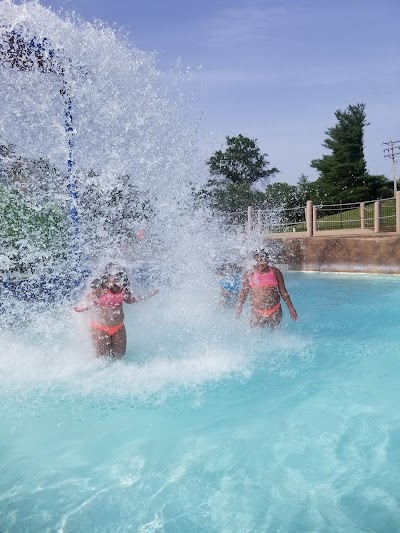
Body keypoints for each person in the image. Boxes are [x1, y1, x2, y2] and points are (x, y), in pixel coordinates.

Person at [74, 263, 158, 358]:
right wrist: (86, 305)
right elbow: (89, 300)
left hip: (118, 328)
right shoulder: (100, 288)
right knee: (102, 360)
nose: (117, 279)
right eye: (114, 276)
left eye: (119, 276)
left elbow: (131, 300)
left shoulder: (123, 288)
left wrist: (145, 296)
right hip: (100, 328)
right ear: (108, 277)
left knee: (120, 359)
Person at [236, 250, 298, 328]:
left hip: (275, 310)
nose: (262, 263)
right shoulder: (249, 273)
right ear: (256, 260)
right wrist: (240, 306)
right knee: (255, 335)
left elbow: (283, 291)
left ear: (268, 261)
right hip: (257, 311)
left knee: (275, 335)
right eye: (260, 260)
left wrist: (291, 308)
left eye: (265, 260)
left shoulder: (275, 272)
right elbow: (244, 291)